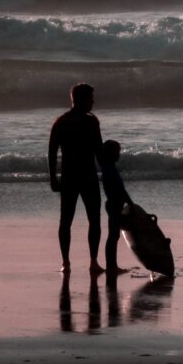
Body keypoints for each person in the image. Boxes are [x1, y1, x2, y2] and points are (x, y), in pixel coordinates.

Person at [48, 83, 105, 274]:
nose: (93, 102)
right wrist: (53, 178)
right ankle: (68, 261)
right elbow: (52, 151)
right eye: (90, 99)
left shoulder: (73, 121)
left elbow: (98, 150)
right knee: (69, 220)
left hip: (79, 176)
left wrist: (108, 172)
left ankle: (91, 261)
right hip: (76, 176)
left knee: (90, 219)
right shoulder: (65, 122)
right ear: (79, 99)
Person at [100, 140, 132, 275]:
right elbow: (120, 189)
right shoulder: (109, 168)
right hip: (114, 205)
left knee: (114, 236)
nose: (119, 155)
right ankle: (111, 266)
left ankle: (112, 265)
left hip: (114, 204)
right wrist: (130, 202)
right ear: (110, 153)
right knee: (113, 236)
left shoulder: (108, 167)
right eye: (117, 152)